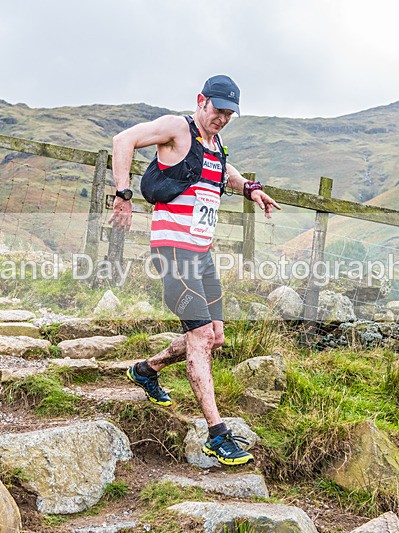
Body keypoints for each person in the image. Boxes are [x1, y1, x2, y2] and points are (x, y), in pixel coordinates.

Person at [110, 75, 280, 466]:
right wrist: (123, 195)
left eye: (229, 114)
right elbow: (123, 140)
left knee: (214, 336)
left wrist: (249, 188)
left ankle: (145, 370)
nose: (222, 118)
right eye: (217, 110)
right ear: (201, 101)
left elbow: (224, 169)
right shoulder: (176, 128)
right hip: (173, 255)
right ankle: (217, 435)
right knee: (201, 336)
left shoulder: (215, 145)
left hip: (201, 257)